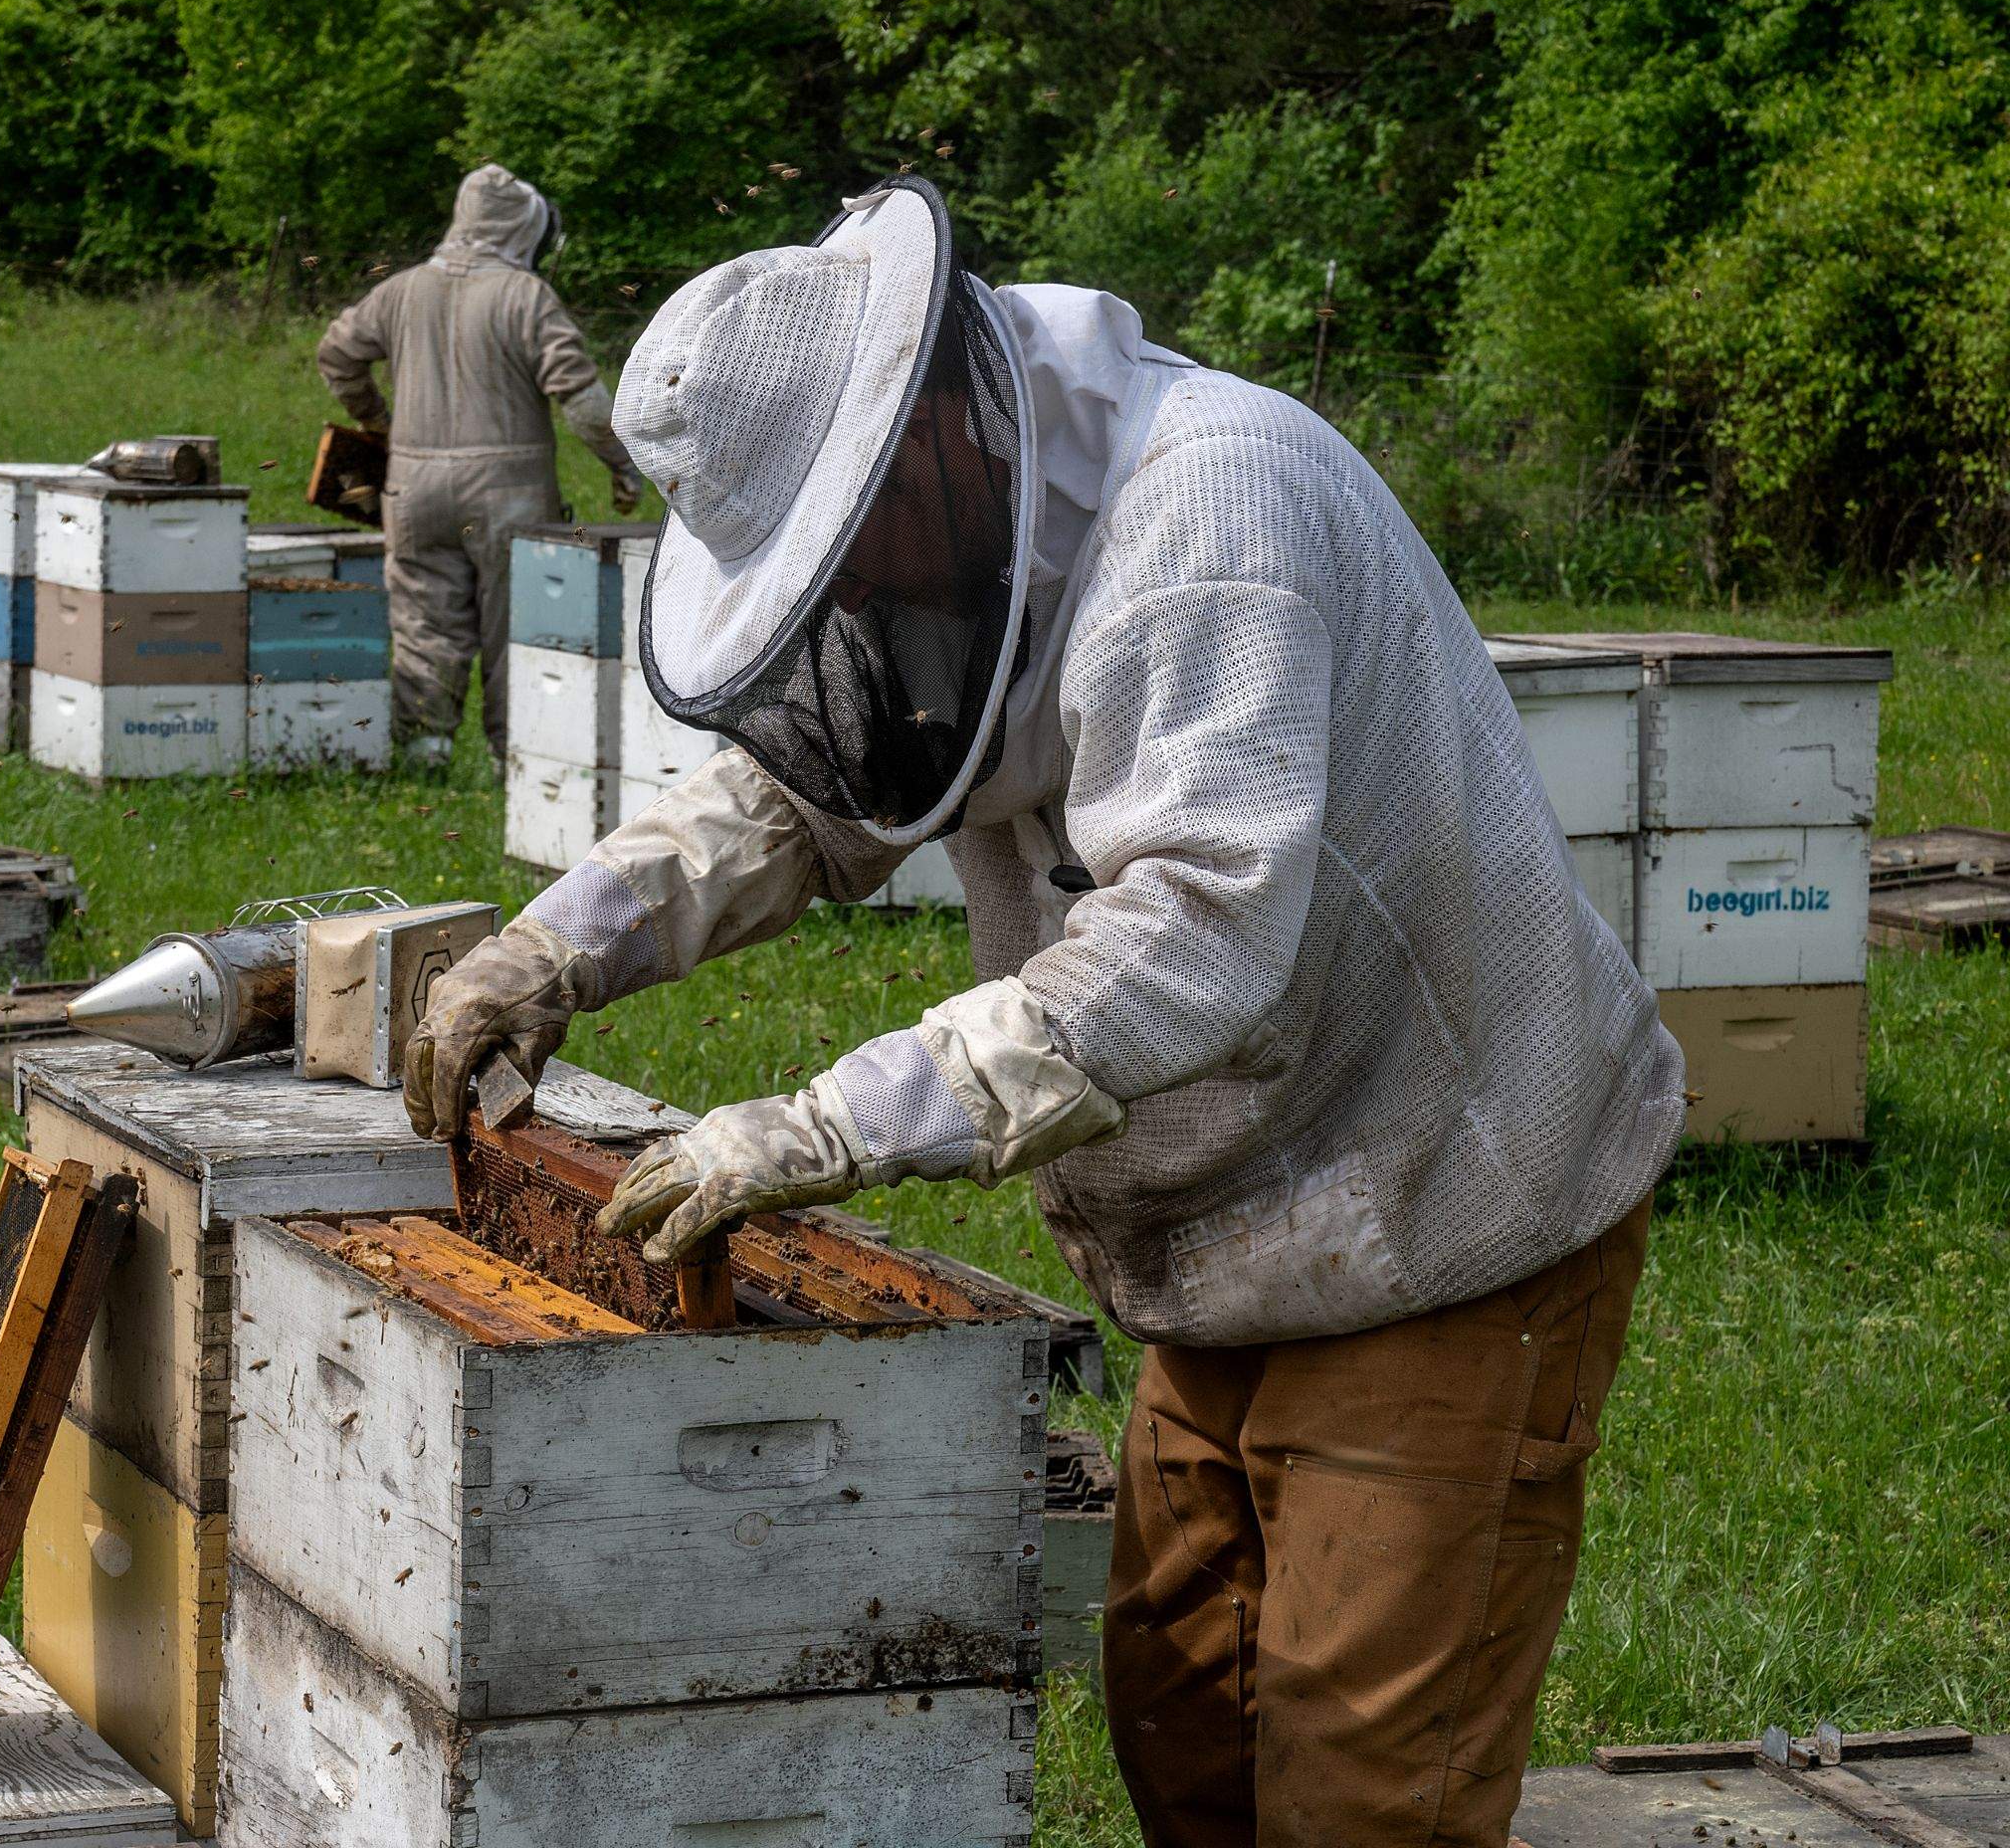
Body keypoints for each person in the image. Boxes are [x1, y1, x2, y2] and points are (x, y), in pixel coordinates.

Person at [403, 175, 1683, 1847]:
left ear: (931, 431)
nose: (845, 602)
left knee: (1362, 1782)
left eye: (842, 558)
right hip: (1230, 1228)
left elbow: (1194, 932)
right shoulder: (966, 536)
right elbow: (806, 795)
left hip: (1440, 1194)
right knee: (1187, 1728)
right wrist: (556, 945)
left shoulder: (1209, 519)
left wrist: (837, 1121)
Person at [317, 163, 644, 767]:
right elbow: (583, 400)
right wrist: (623, 465)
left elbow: (337, 353)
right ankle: (512, 759)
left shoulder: (401, 289)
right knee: (512, 625)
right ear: (523, 228)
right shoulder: (526, 296)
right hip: (508, 493)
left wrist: (379, 422)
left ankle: (425, 750)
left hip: (413, 487)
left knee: (422, 619)